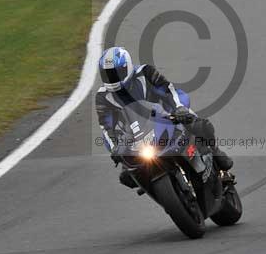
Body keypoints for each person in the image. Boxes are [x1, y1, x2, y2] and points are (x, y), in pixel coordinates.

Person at [96, 46, 233, 188]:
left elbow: (169, 90)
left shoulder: (145, 72)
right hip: (136, 135)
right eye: (108, 75)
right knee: (127, 177)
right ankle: (160, 191)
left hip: (168, 116)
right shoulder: (103, 96)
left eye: (116, 74)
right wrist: (115, 148)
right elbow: (106, 127)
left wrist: (180, 108)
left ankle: (217, 157)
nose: (113, 79)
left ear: (128, 67)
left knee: (201, 125)